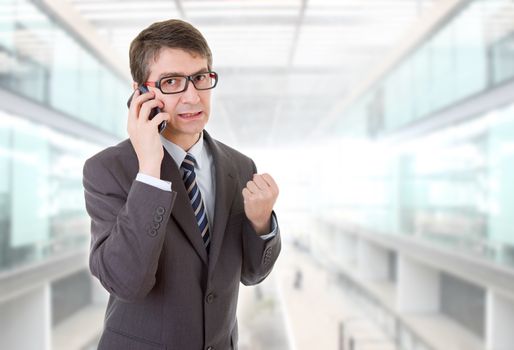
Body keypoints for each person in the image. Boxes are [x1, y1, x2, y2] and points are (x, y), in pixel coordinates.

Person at [82, 19, 281, 350]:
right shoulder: (108, 170)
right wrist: (149, 169)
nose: (192, 97)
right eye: (172, 81)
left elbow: (252, 274)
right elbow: (126, 282)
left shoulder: (240, 166)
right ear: (141, 93)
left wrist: (261, 222)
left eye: (200, 78)